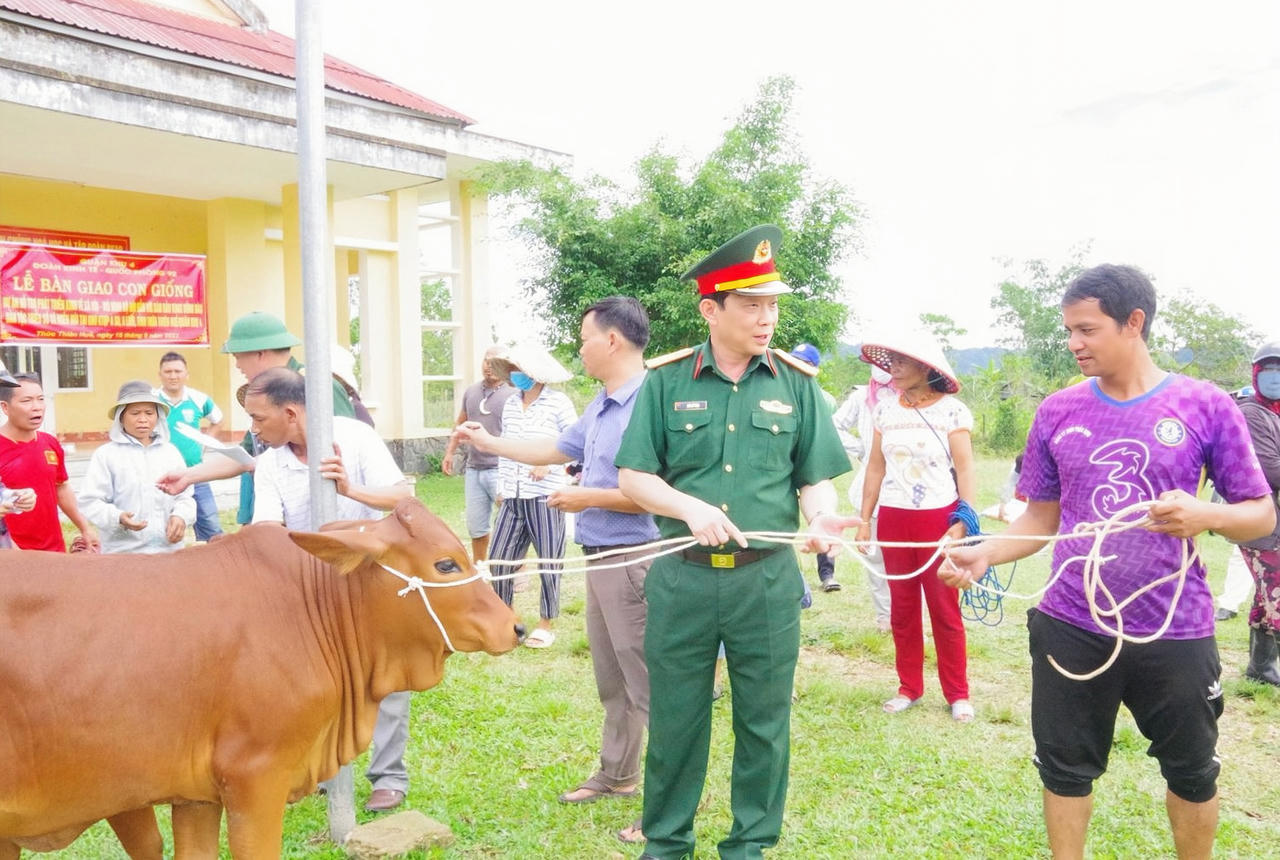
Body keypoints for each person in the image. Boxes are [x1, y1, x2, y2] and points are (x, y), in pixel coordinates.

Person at [940, 264, 1275, 860]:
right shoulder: (1058, 410)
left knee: (1193, 771)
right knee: (1064, 769)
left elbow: (1261, 514)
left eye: (1087, 329)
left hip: (1177, 626)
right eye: (1069, 330)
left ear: (1134, 323)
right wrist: (987, 551)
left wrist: (1207, 514)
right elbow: (1040, 520)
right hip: (1072, 623)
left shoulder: (1204, 404)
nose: (1074, 343)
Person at [614, 225, 856, 858]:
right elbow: (634, 475)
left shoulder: (798, 384)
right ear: (710, 309)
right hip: (682, 576)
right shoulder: (665, 382)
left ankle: (749, 846)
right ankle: (666, 844)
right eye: (751, 305)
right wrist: (689, 507)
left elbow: (813, 480)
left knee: (765, 724)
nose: (766, 317)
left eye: (773, 304)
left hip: (767, 580)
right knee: (675, 720)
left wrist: (822, 517)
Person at [453, 296, 659, 806]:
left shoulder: (651, 402)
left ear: (612, 340)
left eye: (586, 337)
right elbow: (555, 449)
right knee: (612, 680)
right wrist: (491, 443)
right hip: (601, 554)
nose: (581, 349)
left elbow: (661, 491)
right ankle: (618, 774)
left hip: (635, 558)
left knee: (649, 684)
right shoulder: (605, 403)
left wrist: (586, 496)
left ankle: (668, 798)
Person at [243, 367, 415, 813]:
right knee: (314, 683)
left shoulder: (354, 437)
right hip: (306, 586)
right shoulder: (268, 462)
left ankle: (388, 777)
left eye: (259, 419)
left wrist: (350, 488)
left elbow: (403, 498)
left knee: (385, 681)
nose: (254, 429)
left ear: (291, 412)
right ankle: (322, 770)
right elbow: (267, 526)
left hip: (368, 578)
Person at [856, 332, 976, 722]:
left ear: (927, 368)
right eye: (890, 362)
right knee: (901, 608)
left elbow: (966, 468)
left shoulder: (952, 412)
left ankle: (957, 693)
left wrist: (963, 520)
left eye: (902, 362)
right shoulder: (885, 411)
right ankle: (909, 687)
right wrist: (864, 520)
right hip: (893, 518)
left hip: (937, 520)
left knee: (944, 608)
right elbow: (875, 467)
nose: (894, 369)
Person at [157, 312, 359, 512]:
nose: (237, 366)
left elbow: (347, 449)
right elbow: (244, 456)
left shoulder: (317, 386)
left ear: (260, 354)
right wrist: (187, 476)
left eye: (238, 357)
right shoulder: (264, 396)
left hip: (326, 511)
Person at [485, 344, 578, 648]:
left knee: (549, 561)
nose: (515, 376)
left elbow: (577, 444)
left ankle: (546, 624)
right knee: (499, 559)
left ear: (534, 374)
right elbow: (505, 446)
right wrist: (502, 486)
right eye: (513, 370)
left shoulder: (558, 403)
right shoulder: (511, 404)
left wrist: (548, 462)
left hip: (545, 496)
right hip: (513, 494)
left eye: (520, 370)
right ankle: (506, 619)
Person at [79, 381, 196, 554]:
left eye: (149, 413)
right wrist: (118, 518)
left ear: (158, 416)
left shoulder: (170, 453)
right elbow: (90, 502)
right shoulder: (106, 455)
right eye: (135, 413)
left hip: (168, 551)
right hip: (123, 553)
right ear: (121, 416)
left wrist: (180, 516)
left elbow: (186, 496)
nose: (143, 419)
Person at [0, 373, 99, 552]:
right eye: (26, 401)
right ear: (5, 407)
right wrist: (14, 553)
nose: (36, 407)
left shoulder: (50, 443)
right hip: (11, 555)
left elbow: (60, 487)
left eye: (40, 399)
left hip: (54, 552)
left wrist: (84, 527)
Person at [832, 365, 897, 631]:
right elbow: (835, 425)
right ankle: (885, 617)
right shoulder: (861, 397)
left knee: (906, 556)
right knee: (876, 557)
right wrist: (861, 449)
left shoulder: (908, 393)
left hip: (905, 487)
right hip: (870, 488)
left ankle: (907, 615)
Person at [1231, 341, 1280, 684]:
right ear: (1256, 373)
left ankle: (1260, 669)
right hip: (1259, 525)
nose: (1276, 377)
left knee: (1268, 599)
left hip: (1273, 524)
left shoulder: (1274, 414)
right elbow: (1271, 470)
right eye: (1269, 369)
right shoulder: (1251, 413)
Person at [441, 346, 518, 562]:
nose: (489, 366)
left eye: (496, 362)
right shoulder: (471, 392)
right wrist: (450, 453)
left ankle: (517, 569)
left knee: (510, 520)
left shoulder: (513, 395)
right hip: (474, 469)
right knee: (476, 525)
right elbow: (460, 424)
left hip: (501, 468)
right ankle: (480, 567)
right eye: (486, 360)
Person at [789, 342, 843, 592]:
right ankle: (795, 580)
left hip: (811, 464)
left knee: (822, 520)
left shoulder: (824, 400)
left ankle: (827, 575)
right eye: (795, 360)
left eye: (805, 363)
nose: (798, 366)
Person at [155, 351, 224, 541]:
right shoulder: (151, 400)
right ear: (160, 375)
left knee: (210, 525)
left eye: (178, 371)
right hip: (161, 476)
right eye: (168, 371)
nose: (173, 376)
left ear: (187, 374)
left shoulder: (199, 399)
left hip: (195, 473)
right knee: (161, 527)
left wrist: (203, 444)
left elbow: (218, 421)